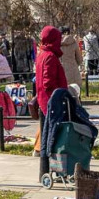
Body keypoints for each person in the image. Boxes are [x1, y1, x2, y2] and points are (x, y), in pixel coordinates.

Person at [35, 26, 68, 169]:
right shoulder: (49, 56)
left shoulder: (42, 54)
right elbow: (48, 82)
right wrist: (59, 95)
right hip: (51, 102)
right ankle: (54, 168)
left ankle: (48, 168)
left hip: (46, 100)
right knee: (53, 137)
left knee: (48, 134)